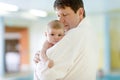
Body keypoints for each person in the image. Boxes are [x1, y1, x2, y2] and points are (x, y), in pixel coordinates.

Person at [33, 0, 99, 80]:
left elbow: (45, 74)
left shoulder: (74, 34)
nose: (60, 21)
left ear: (80, 12)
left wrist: (38, 63)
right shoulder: (90, 32)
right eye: (58, 15)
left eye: (65, 15)